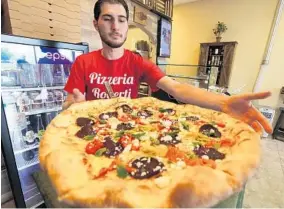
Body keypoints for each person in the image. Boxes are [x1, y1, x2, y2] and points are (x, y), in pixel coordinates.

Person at [63, 0, 272, 134]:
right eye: (107, 19)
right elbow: (68, 106)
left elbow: (177, 89)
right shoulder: (83, 62)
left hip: (126, 133)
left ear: (127, 25)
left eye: (121, 20)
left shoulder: (137, 62)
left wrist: (224, 103)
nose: (115, 26)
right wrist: (72, 105)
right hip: (92, 135)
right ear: (96, 23)